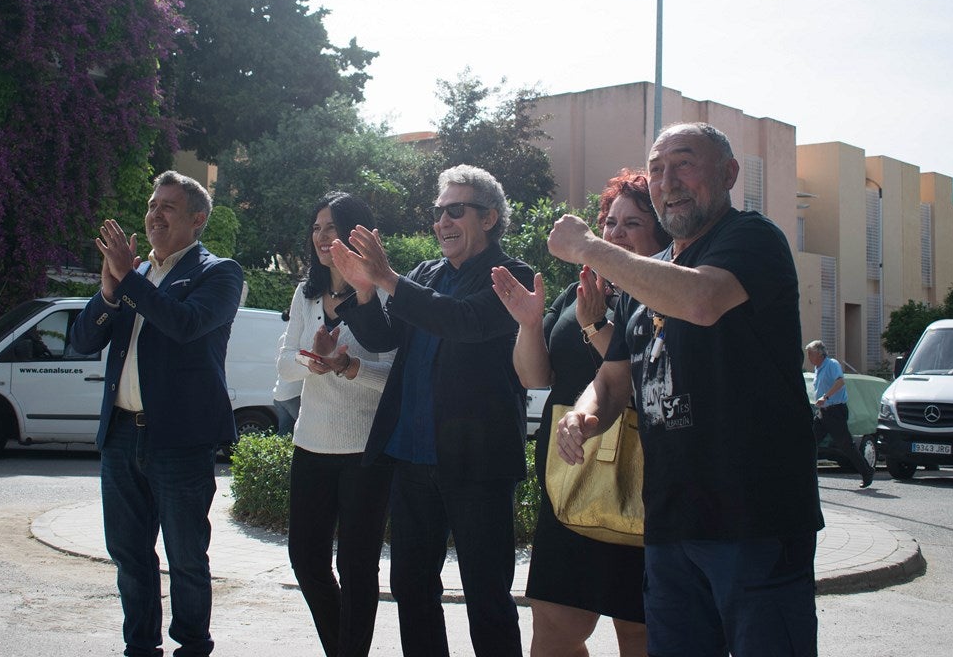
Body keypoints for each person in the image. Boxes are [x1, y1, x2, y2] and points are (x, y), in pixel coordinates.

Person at [549, 123, 824, 657]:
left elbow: (701, 301)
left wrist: (589, 247)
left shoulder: (752, 239)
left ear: (728, 174)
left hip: (755, 520)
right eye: (656, 170)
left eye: (683, 164)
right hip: (671, 523)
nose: (667, 181)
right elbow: (611, 380)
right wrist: (583, 416)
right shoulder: (641, 275)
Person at [328, 165, 533, 657]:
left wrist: (388, 278)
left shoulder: (513, 275)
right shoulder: (423, 274)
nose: (442, 221)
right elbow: (382, 340)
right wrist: (364, 289)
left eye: (455, 210)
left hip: (477, 464)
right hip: (412, 460)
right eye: (438, 211)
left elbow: (463, 322)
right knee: (412, 588)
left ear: (489, 218)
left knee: (487, 595)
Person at [492, 169, 670, 657]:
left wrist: (595, 327)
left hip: (638, 479)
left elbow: (641, 374)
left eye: (631, 224)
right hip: (569, 475)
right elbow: (534, 378)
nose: (613, 233)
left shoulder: (662, 295)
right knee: (553, 632)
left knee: (639, 632)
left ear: (659, 237)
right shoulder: (576, 293)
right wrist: (529, 325)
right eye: (609, 222)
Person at [69, 170, 243, 657]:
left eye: (167, 206)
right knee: (128, 553)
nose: (153, 214)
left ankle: (192, 646)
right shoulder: (137, 275)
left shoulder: (218, 272)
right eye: (151, 205)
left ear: (197, 219)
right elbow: (82, 341)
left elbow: (185, 325)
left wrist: (127, 280)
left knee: (186, 556)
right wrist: (108, 293)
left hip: (180, 440)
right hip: (122, 434)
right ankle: (140, 647)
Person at [274, 192, 396, 657]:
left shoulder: (383, 294)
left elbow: (392, 382)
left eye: (333, 227)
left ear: (356, 234)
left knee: (357, 566)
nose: (323, 237)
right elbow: (284, 366)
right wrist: (316, 363)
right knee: (305, 560)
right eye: (317, 227)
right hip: (311, 446)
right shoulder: (305, 295)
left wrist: (348, 368)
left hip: (367, 454)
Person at [808, 339, 875, 488]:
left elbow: (840, 382)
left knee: (846, 446)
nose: (809, 358)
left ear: (819, 354)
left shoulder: (832, 364)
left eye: (810, 354)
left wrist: (825, 397)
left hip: (835, 411)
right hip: (823, 412)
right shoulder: (817, 368)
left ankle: (867, 471)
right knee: (810, 442)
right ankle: (807, 475)